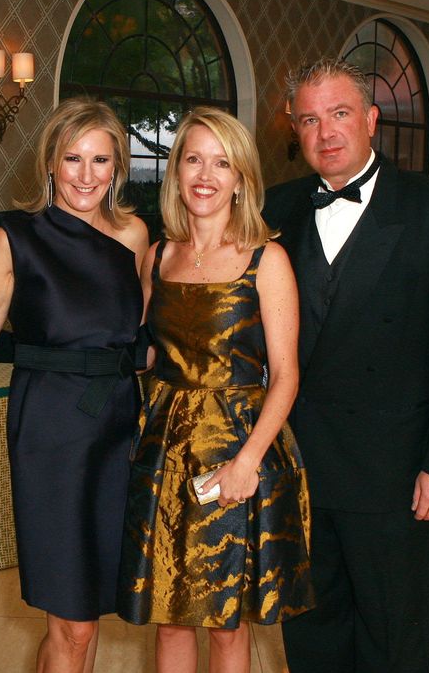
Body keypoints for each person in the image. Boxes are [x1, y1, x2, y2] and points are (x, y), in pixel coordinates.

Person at [262, 58, 429, 673]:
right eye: (309, 119)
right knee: (310, 630)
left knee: (395, 635)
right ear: (294, 128)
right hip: (301, 462)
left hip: (394, 471)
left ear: (371, 119)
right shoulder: (272, 212)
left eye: (339, 114)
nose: (325, 132)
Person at [116, 107, 314, 673]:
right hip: (166, 452)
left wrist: (249, 461)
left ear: (241, 178)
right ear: (177, 170)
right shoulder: (159, 255)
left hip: (237, 447)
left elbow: (286, 374)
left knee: (227, 621)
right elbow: (154, 352)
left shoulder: (265, 259)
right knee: (171, 613)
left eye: (221, 163)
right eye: (194, 159)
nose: (206, 174)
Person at [0, 97, 149, 672]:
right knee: (72, 617)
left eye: (101, 160)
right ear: (50, 162)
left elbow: (143, 339)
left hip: (118, 430)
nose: (86, 175)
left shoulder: (134, 237)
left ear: (118, 166)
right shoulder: (16, 235)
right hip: (51, 431)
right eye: (73, 158)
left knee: (91, 608)